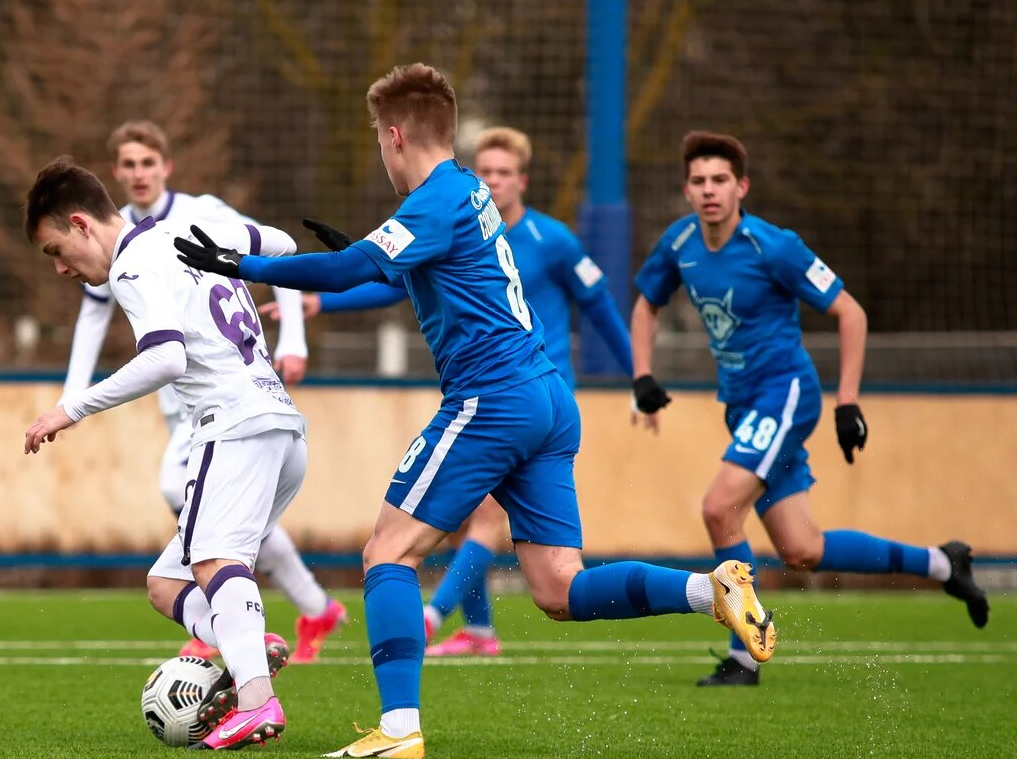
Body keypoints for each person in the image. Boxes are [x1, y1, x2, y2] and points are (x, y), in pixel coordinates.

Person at [174, 63, 778, 759]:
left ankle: (398, 732)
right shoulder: (467, 194)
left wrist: (239, 266)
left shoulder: (433, 200)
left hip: (492, 399)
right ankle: (710, 590)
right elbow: (407, 271)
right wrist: (368, 257)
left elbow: (354, 272)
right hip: (548, 397)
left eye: (379, 138)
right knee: (557, 585)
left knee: (387, 552)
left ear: (395, 136)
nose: (380, 150)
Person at [629, 130, 990, 687]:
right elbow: (647, 304)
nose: (709, 190)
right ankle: (945, 563)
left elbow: (851, 313)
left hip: (786, 394)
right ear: (686, 189)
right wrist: (643, 376)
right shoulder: (679, 244)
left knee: (719, 509)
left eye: (720, 180)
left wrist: (847, 401)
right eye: (698, 181)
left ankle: (745, 656)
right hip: (743, 406)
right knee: (802, 549)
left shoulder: (774, 245)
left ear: (741, 186)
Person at [261, 126, 637, 658]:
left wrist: (639, 378)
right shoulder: (466, 218)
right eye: (484, 170)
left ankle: (430, 624)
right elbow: (405, 280)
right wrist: (327, 301)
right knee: (550, 581)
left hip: (512, 398)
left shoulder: (546, 238)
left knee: (424, 537)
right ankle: (481, 628)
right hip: (531, 400)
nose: (492, 181)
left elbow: (599, 305)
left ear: (522, 180)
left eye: (503, 173)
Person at [23, 157, 306, 749]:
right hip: (280, 425)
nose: (59, 269)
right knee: (165, 583)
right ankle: (249, 651)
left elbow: (166, 358)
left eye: (55, 250)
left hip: (230, 426)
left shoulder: (130, 264)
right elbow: (278, 243)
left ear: (80, 224)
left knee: (211, 563)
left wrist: (70, 409)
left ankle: (257, 701)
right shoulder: (192, 226)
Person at [62, 120, 345, 665]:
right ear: (116, 173)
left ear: (166, 167)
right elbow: (91, 321)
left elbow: (275, 256)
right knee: (213, 527)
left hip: (226, 407)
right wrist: (69, 400)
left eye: (149, 162)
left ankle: (233, 625)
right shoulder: (105, 243)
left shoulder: (201, 215)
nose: (139, 173)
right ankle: (284, 611)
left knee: (194, 513)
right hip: (196, 409)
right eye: (129, 165)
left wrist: (294, 338)